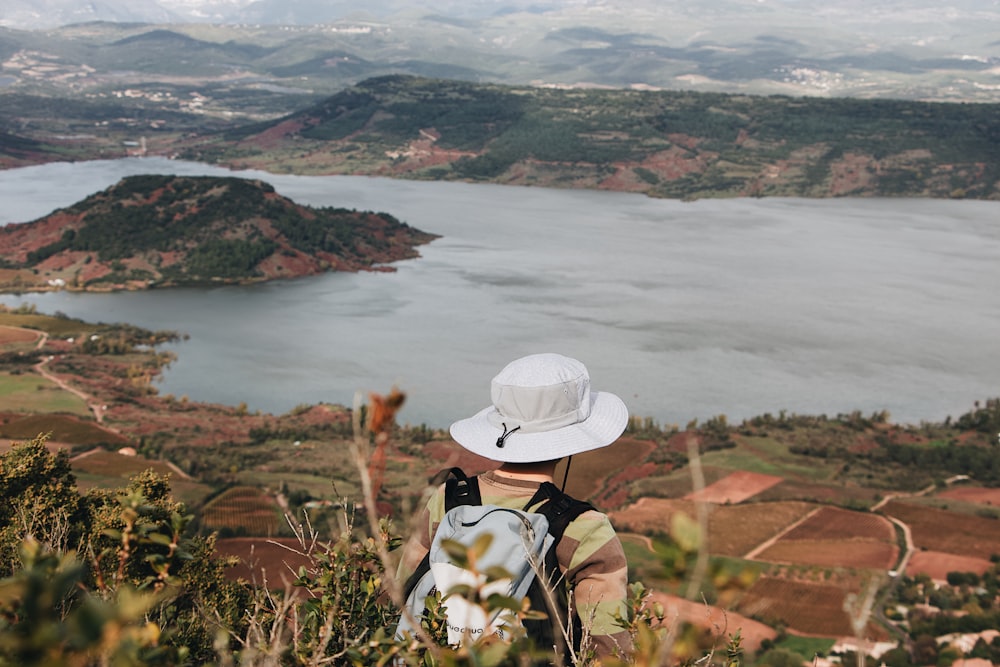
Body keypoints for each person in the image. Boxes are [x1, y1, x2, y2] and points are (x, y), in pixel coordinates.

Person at [397, 352, 632, 662]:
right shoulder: (584, 526)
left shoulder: (447, 498)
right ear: (570, 441)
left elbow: (403, 586)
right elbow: (608, 644)